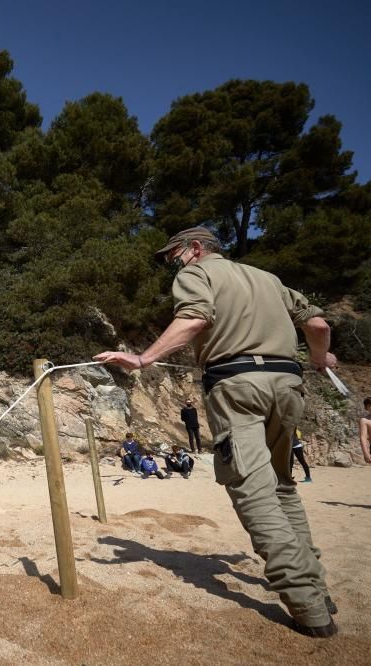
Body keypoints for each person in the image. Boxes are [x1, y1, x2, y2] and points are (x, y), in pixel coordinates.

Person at [94, 226, 339, 638]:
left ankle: (308, 605)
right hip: (288, 385)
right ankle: (318, 586)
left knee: (253, 491)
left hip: (237, 386)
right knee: (282, 486)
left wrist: (143, 359)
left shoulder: (196, 274)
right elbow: (316, 325)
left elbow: (194, 318)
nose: (171, 264)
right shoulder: (269, 279)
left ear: (195, 248)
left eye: (173, 255)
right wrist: (319, 358)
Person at [360, 398, 371, 464]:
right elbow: (363, 437)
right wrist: (366, 453)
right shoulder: (365, 420)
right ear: (366, 407)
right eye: (369, 405)